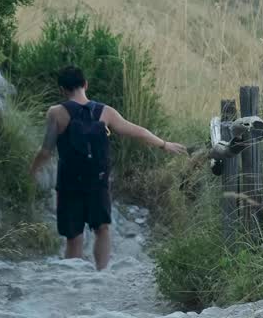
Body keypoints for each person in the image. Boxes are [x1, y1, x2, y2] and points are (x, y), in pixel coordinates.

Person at [29, 65, 187, 270]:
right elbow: (137, 131)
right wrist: (165, 144)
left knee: (74, 236)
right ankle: (101, 273)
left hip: (68, 181)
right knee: (102, 228)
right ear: (85, 84)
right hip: (98, 179)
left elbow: (45, 151)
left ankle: (72, 276)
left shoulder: (56, 113)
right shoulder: (105, 112)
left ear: (62, 89)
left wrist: (32, 172)